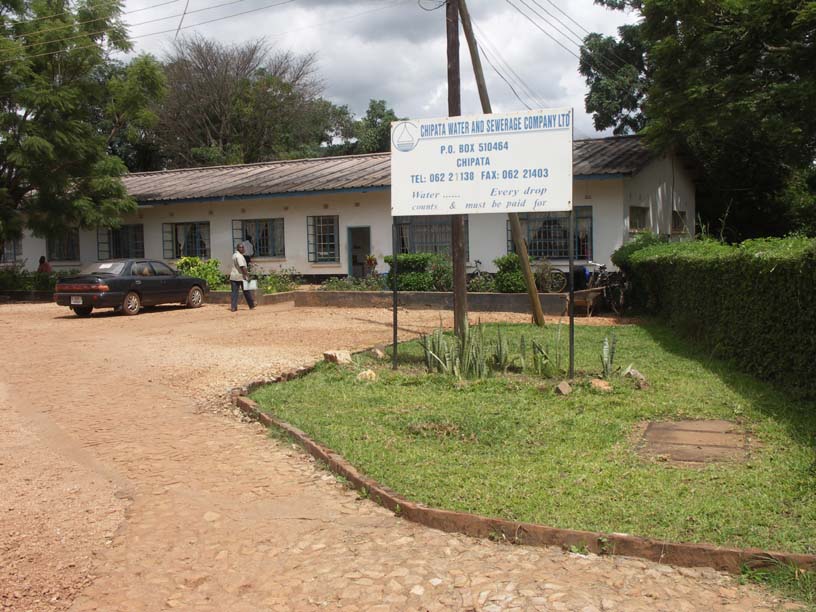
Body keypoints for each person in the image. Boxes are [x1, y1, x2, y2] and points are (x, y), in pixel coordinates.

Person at [230, 243, 255, 312]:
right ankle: (251, 305)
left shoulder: (234, 255)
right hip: (240, 276)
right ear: (238, 248)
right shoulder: (239, 256)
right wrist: (247, 275)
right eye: (241, 247)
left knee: (234, 293)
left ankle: (233, 307)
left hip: (233, 276)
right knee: (246, 291)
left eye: (243, 247)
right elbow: (242, 267)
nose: (243, 249)